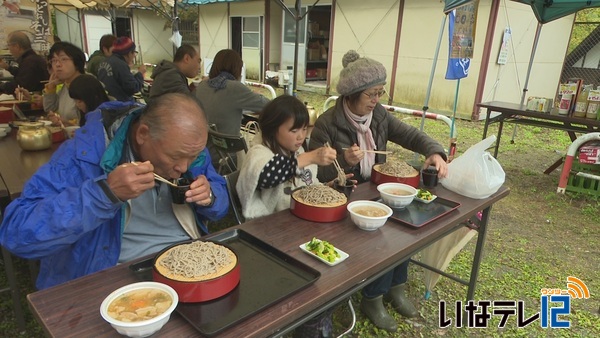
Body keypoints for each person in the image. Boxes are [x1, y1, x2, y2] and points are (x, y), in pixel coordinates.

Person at [0, 93, 229, 290]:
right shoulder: (84, 155)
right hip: (118, 278)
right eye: (175, 157)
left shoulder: (186, 149)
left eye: (194, 157)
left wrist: (210, 198)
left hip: (190, 265)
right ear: (142, 134)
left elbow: (219, 200)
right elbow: (17, 233)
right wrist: (105, 194)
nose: (184, 168)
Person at [309, 50, 449, 332]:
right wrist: (343, 164)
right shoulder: (327, 123)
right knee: (384, 239)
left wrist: (434, 151)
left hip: (377, 190)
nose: (376, 101)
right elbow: (314, 174)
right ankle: (373, 298)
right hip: (345, 198)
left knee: (407, 228)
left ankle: (396, 287)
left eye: (379, 93)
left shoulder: (379, 116)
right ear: (352, 94)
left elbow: (410, 134)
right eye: (371, 95)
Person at [236, 95, 342, 337]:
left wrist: (333, 184)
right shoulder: (259, 153)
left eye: (304, 129)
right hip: (268, 238)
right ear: (273, 129)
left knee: (333, 272)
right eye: (294, 130)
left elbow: (307, 185)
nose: (300, 137)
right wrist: (311, 157)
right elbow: (269, 174)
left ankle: (317, 317)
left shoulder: (297, 150)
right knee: (316, 282)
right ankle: (312, 323)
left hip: (299, 228)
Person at [195, 49, 269, 136]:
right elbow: (267, 104)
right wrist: (254, 94)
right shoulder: (234, 88)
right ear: (236, 68)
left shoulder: (202, 86)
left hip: (205, 143)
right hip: (228, 146)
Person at [16, 42, 85, 127]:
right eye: (54, 60)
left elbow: (95, 121)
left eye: (63, 59)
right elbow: (49, 109)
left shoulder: (88, 84)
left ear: (77, 62)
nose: (57, 65)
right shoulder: (65, 85)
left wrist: (68, 123)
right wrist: (51, 88)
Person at [97, 36, 146, 102]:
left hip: (107, 103)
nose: (134, 56)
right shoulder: (120, 65)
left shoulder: (104, 62)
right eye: (134, 52)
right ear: (128, 53)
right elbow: (133, 88)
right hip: (121, 106)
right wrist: (140, 73)